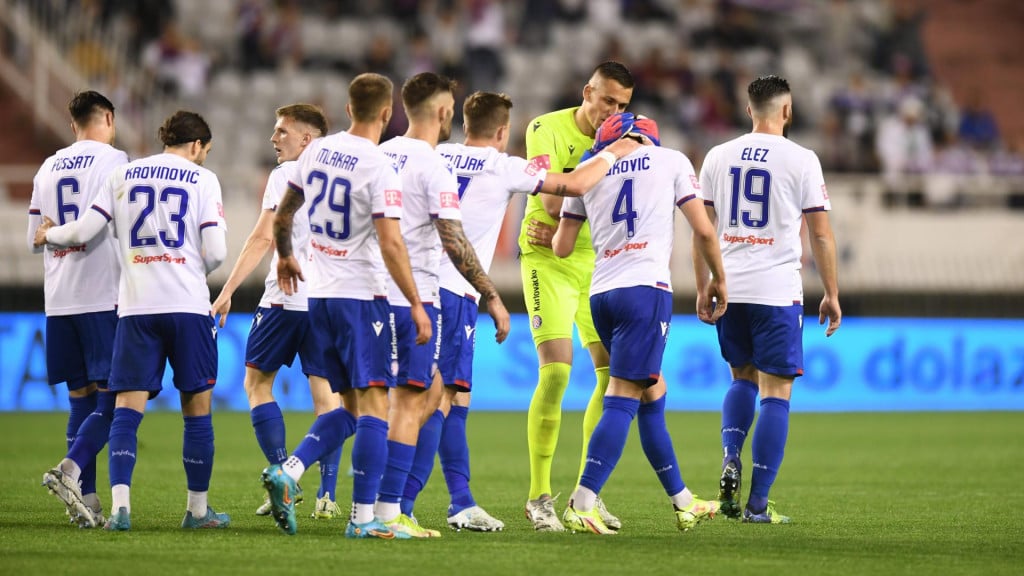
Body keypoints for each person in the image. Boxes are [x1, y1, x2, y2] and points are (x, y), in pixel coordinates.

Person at [398, 91, 641, 532]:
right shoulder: (504, 165)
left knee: (447, 397)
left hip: (411, 284)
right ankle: (397, 504)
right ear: (504, 131)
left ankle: (459, 502)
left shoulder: (435, 155)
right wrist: (616, 151)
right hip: (453, 291)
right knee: (432, 399)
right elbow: (571, 188)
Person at [35, 110, 230, 531]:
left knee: (125, 409)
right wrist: (186, 267)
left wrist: (47, 234)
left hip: (136, 309)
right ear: (197, 146)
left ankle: (121, 508)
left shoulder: (125, 174)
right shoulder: (202, 179)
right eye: (205, 152)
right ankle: (197, 511)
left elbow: (84, 229)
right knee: (196, 408)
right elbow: (215, 252)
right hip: (187, 305)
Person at [261, 72, 431, 539]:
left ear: (349, 107)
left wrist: (285, 255)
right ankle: (363, 520)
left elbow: (284, 212)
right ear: (386, 113)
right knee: (377, 406)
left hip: (320, 297)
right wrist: (415, 303)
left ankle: (289, 471)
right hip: (364, 299)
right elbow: (392, 243)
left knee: (353, 411)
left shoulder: (316, 150)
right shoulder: (379, 165)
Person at [552, 113, 728, 534]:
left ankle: (683, 502)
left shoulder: (588, 170)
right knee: (625, 394)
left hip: (602, 294)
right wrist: (720, 279)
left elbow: (561, 247)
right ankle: (583, 500)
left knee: (653, 392)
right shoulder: (670, 160)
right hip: (644, 290)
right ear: (649, 137)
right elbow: (703, 230)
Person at [696, 75, 841, 524]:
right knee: (776, 393)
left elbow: (703, 231)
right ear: (787, 111)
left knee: (741, 378)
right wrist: (832, 293)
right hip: (777, 290)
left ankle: (729, 456)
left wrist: (704, 284)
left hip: (730, 286)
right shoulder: (802, 159)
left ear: (749, 110)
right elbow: (819, 231)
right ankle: (757, 504)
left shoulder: (718, 156)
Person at [371, 72, 511, 538]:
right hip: (433, 293)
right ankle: (395, 508)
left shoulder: (383, 153)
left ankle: (448, 501)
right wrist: (492, 295)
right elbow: (454, 241)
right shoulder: (448, 165)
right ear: (444, 112)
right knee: (428, 400)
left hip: (369, 289)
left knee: (429, 395)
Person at [210, 104, 346, 520]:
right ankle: (327, 496)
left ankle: (283, 474)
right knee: (329, 399)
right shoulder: (344, 173)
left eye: (282, 132)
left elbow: (260, 238)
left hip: (285, 299)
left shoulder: (286, 175)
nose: (274, 139)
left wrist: (227, 290)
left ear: (307, 139)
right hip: (330, 300)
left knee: (256, 384)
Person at [520, 61, 634, 532]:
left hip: (599, 264)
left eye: (623, 105)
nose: (614, 111)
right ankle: (538, 496)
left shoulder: (629, 138)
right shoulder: (545, 128)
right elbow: (550, 201)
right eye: (608, 100)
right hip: (547, 262)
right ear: (587, 91)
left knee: (611, 381)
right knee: (558, 374)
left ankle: (586, 494)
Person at [33, 91, 129, 528]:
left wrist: (52, 235)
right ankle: (70, 468)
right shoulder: (115, 161)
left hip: (59, 298)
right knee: (113, 397)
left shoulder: (47, 166)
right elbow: (104, 225)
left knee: (79, 399)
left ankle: (87, 504)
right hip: (100, 293)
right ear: (107, 117)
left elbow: (36, 235)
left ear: (73, 124)